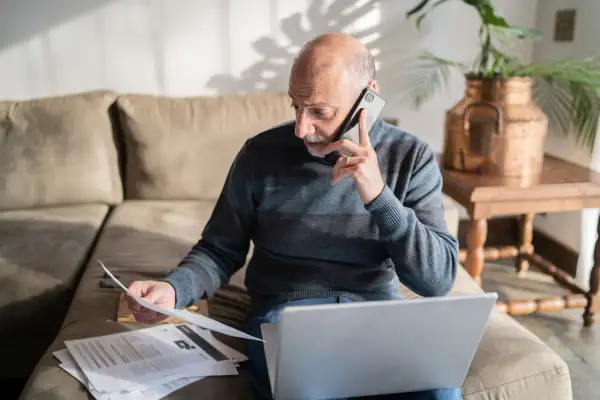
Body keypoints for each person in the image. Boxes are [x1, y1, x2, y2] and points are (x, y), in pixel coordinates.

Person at [127, 33, 461, 400]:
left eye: (320, 112)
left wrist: (380, 196)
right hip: (286, 319)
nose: (302, 129)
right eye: (296, 107)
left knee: (441, 393)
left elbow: (437, 280)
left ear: (367, 95)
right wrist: (175, 289)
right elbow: (220, 249)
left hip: (378, 318)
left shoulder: (411, 157)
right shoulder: (260, 154)